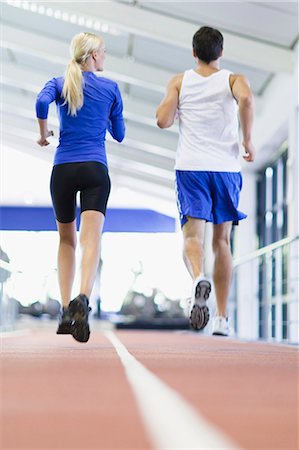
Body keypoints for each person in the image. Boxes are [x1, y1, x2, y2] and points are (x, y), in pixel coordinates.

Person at [156, 26, 255, 336]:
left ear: (194, 53)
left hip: (191, 168)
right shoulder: (233, 80)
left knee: (191, 238)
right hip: (225, 168)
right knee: (221, 241)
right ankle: (223, 319)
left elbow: (162, 120)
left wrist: (176, 100)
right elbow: (247, 100)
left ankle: (199, 276)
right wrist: (247, 140)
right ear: (221, 53)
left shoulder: (180, 81)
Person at [36, 32, 125, 343]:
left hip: (63, 169)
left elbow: (40, 102)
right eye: (103, 52)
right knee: (91, 240)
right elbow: (120, 134)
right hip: (95, 171)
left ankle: (64, 310)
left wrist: (44, 133)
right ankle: (83, 299)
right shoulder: (111, 88)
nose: (105, 57)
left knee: (66, 240)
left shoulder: (60, 83)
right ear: (94, 57)